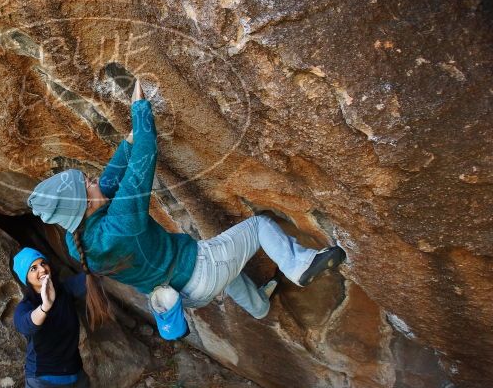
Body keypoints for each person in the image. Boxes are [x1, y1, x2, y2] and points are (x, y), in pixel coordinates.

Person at [26, 80, 346, 332]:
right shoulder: (120, 225)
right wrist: (140, 109)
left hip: (186, 294)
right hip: (201, 271)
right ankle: (300, 266)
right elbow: (144, 160)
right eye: (86, 183)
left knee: (226, 265)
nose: (93, 179)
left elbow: (111, 178)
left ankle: (260, 307)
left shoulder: (77, 238)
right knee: (259, 227)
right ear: (84, 203)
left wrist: (130, 139)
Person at [12, 247, 94, 388]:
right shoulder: (25, 307)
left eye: (43, 263)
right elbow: (27, 325)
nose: (41, 270)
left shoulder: (66, 290)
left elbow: (94, 277)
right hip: (43, 387)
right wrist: (46, 304)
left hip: (76, 381)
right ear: (25, 277)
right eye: (33, 268)